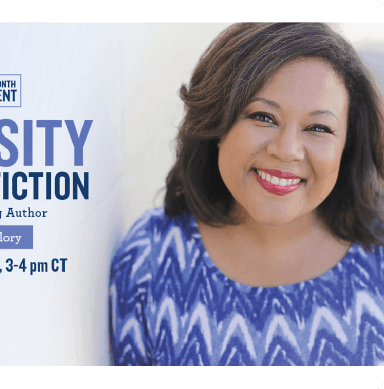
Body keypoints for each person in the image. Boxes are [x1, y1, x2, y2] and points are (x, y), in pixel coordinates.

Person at [109, 23, 384, 366]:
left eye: (318, 128)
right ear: (217, 125)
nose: (286, 151)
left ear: (347, 145)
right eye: (263, 117)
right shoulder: (150, 257)